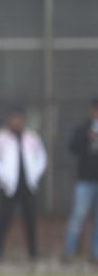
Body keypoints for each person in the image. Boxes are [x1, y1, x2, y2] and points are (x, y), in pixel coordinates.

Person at [0, 106, 46, 263]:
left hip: (28, 186)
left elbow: (42, 159)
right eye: (14, 118)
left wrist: (34, 176)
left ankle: (33, 253)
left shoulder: (32, 137)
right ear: (9, 119)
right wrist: (3, 176)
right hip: (8, 186)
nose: (16, 122)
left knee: (30, 220)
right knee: (4, 219)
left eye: (19, 118)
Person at [61, 98, 98, 263]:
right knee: (78, 216)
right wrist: (88, 136)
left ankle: (95, 254)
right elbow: (73, 148)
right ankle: (69, 251)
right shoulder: (83, 129)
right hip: (85, 181)